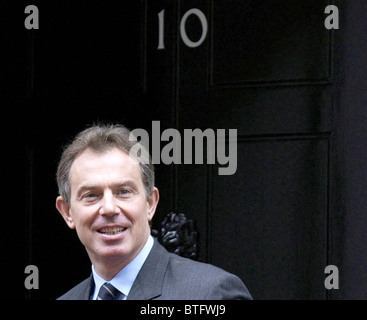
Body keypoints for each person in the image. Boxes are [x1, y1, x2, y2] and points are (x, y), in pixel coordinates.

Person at [55, 123, 252, 300]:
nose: (109, 208)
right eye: (91, 195)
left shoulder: (211, 294)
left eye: (123, 192)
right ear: (67, 212)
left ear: (150, 203)